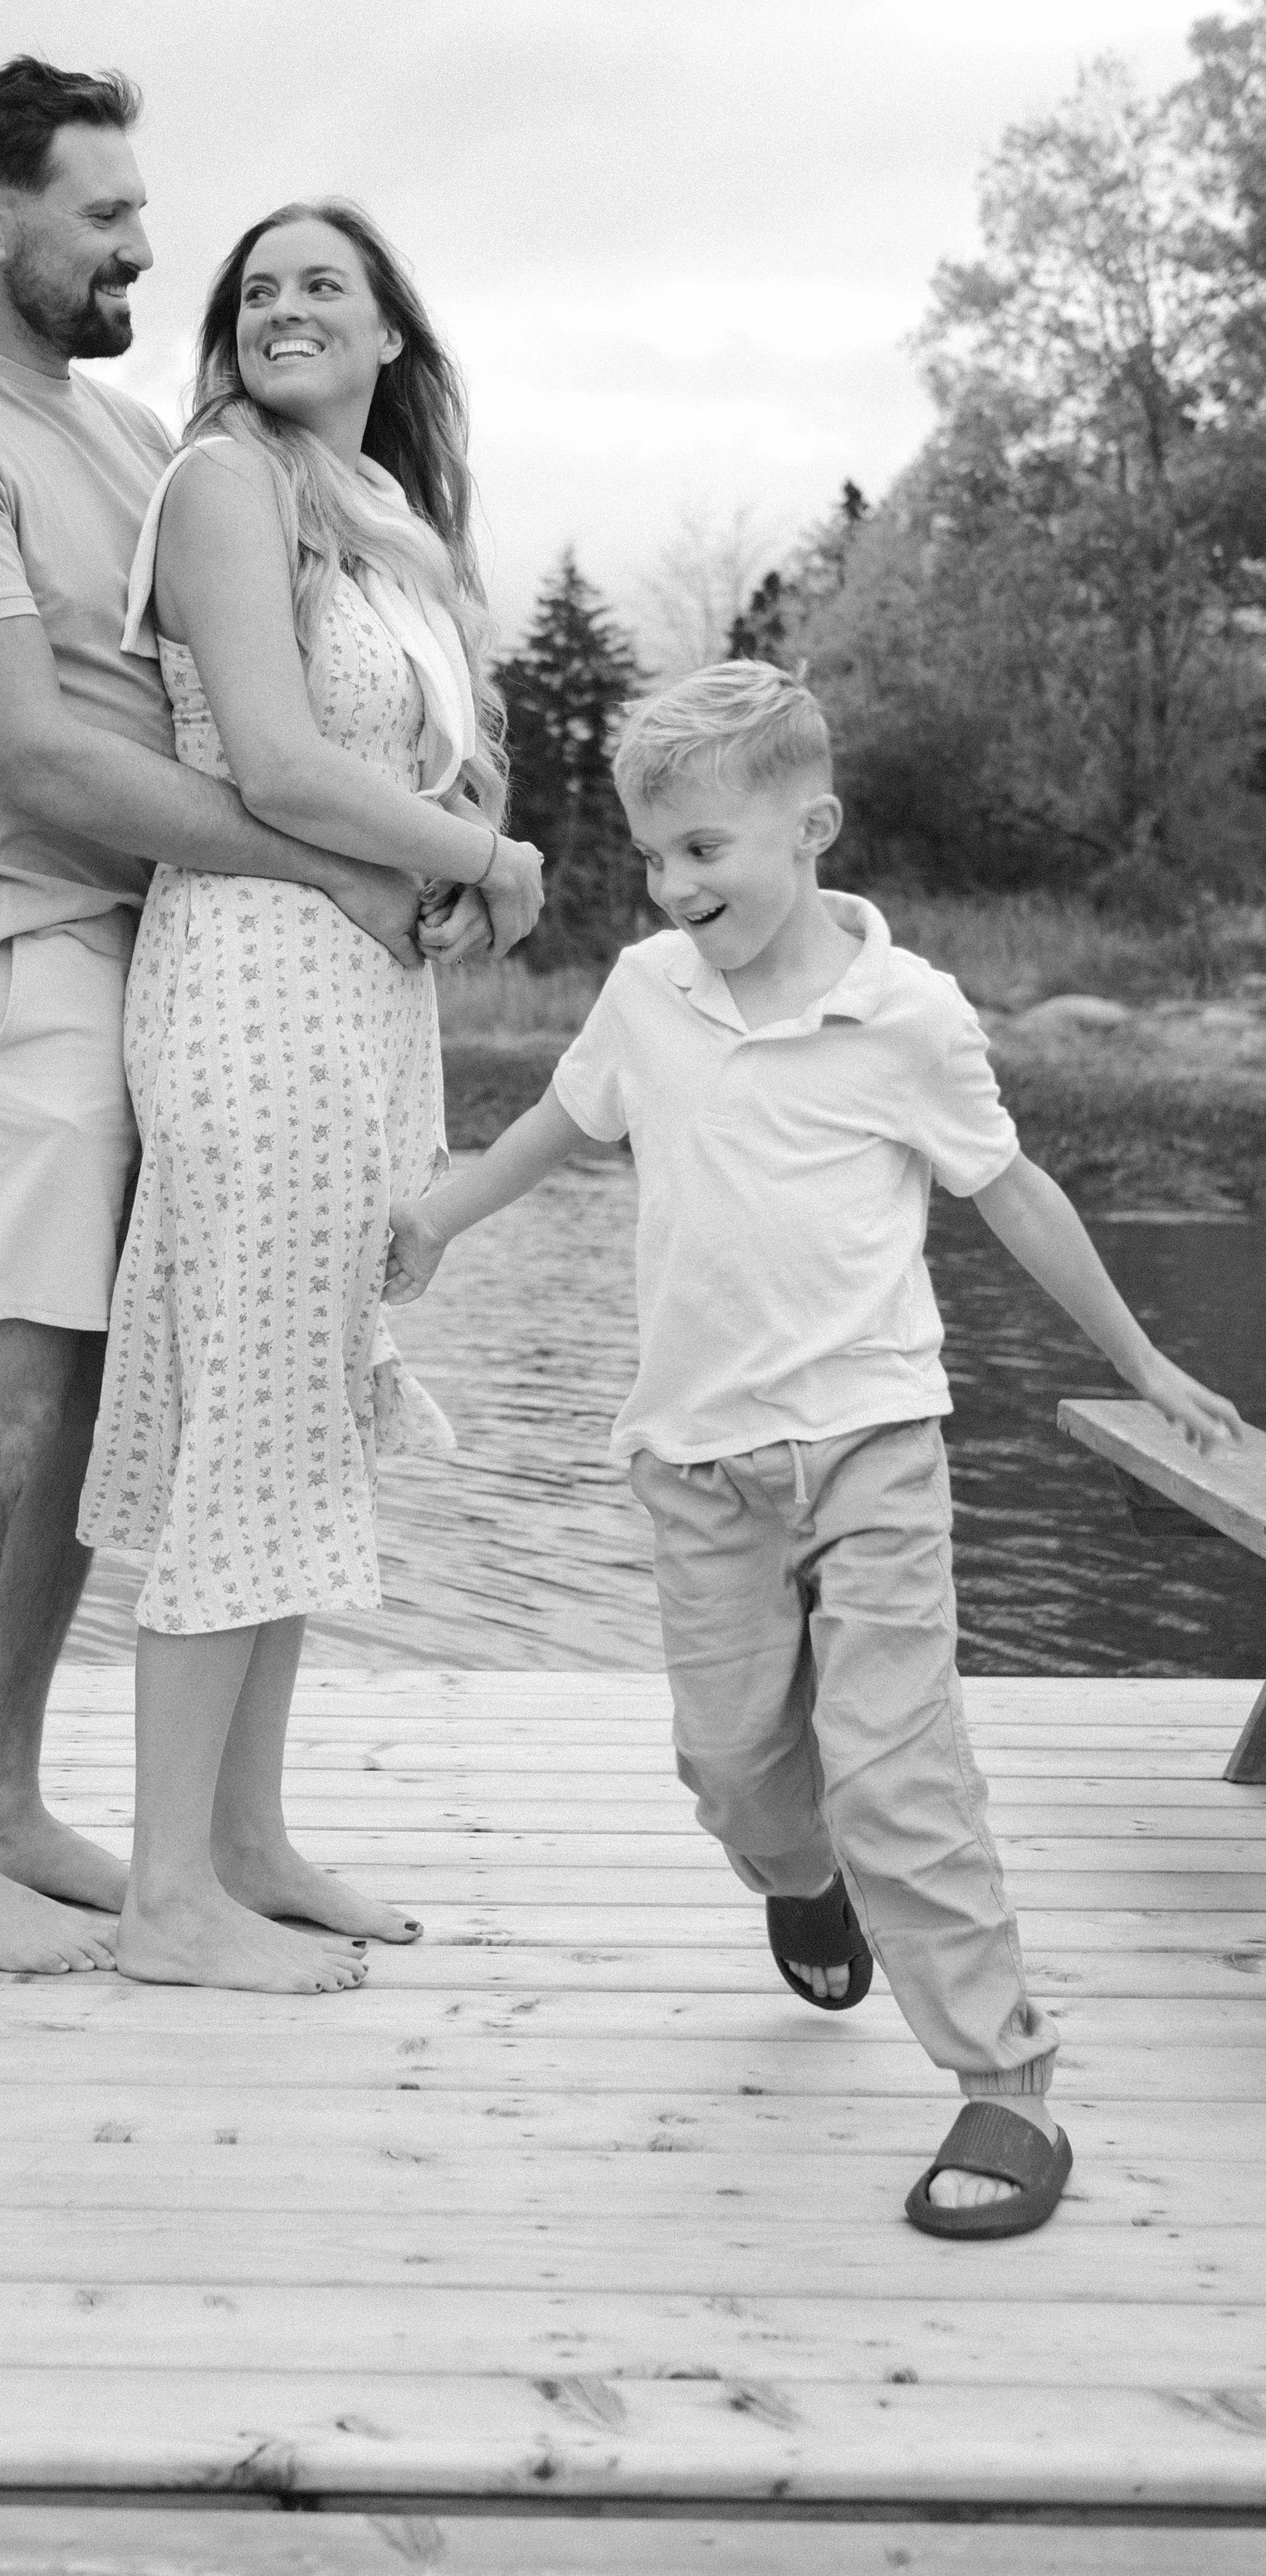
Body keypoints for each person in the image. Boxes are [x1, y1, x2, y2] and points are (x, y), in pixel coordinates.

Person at [384, 661, 1242, 2232]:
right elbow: (562, 1126)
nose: (673, 883)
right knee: (734, 1773)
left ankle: (1007, 2087)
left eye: (706, 848)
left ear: (810, 829)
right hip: (698, 1461)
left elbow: (1014, 1192)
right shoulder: (648, 990)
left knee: (900, 1770)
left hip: (870, 1447)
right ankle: (803, 1881)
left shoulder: (905, 1013)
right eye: (655, 855)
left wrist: (1141, 1357)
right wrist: (437, 1216)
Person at [0, 62, 437, 1977]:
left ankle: (4, 1801)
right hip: (4, 959)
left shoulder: (107, 429)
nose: (145, 249)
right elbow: (32, 751)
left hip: (150, 957)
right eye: (103, 214)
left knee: (98, 1414)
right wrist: (329, 863)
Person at [77, 200, 545, 1994]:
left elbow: (388, 771)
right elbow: (269, 761)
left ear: (387, 340)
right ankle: (162, 1902)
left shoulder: (393, 531)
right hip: (249, 990)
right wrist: (489, 859)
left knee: (303, 1404)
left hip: (361, 1002)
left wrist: (449, 866)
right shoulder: (223, 484)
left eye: (320, 287)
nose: (283, 309)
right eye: (256, 289)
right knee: (245, 1421)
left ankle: (245, 1844)